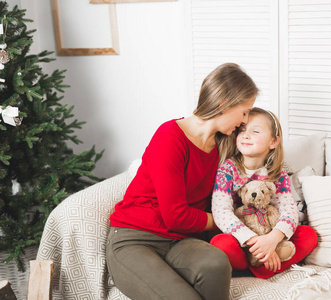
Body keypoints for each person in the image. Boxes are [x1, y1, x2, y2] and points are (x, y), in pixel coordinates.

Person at [106, 63, 259, 300]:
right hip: (136, 239)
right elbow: (176, 216)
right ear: (224, 104)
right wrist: (229, 220)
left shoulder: (223, 145)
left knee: (216, 263)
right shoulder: (170, 138)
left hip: (181, 241)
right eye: (244, 112)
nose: (244, 121)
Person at [211, 107, 318, 279]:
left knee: (308, 235)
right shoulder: (228, 169)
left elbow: (288, 210)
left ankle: (259, 269)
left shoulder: (277, 173)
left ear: (273, 142)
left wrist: (272, 240)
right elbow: (221, 211)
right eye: (242, 130)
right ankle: (263, 265)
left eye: (255, 131)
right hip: (243, 240)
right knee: (219, 244)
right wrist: (254, 241)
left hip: (271, 237)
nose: (246, 135)